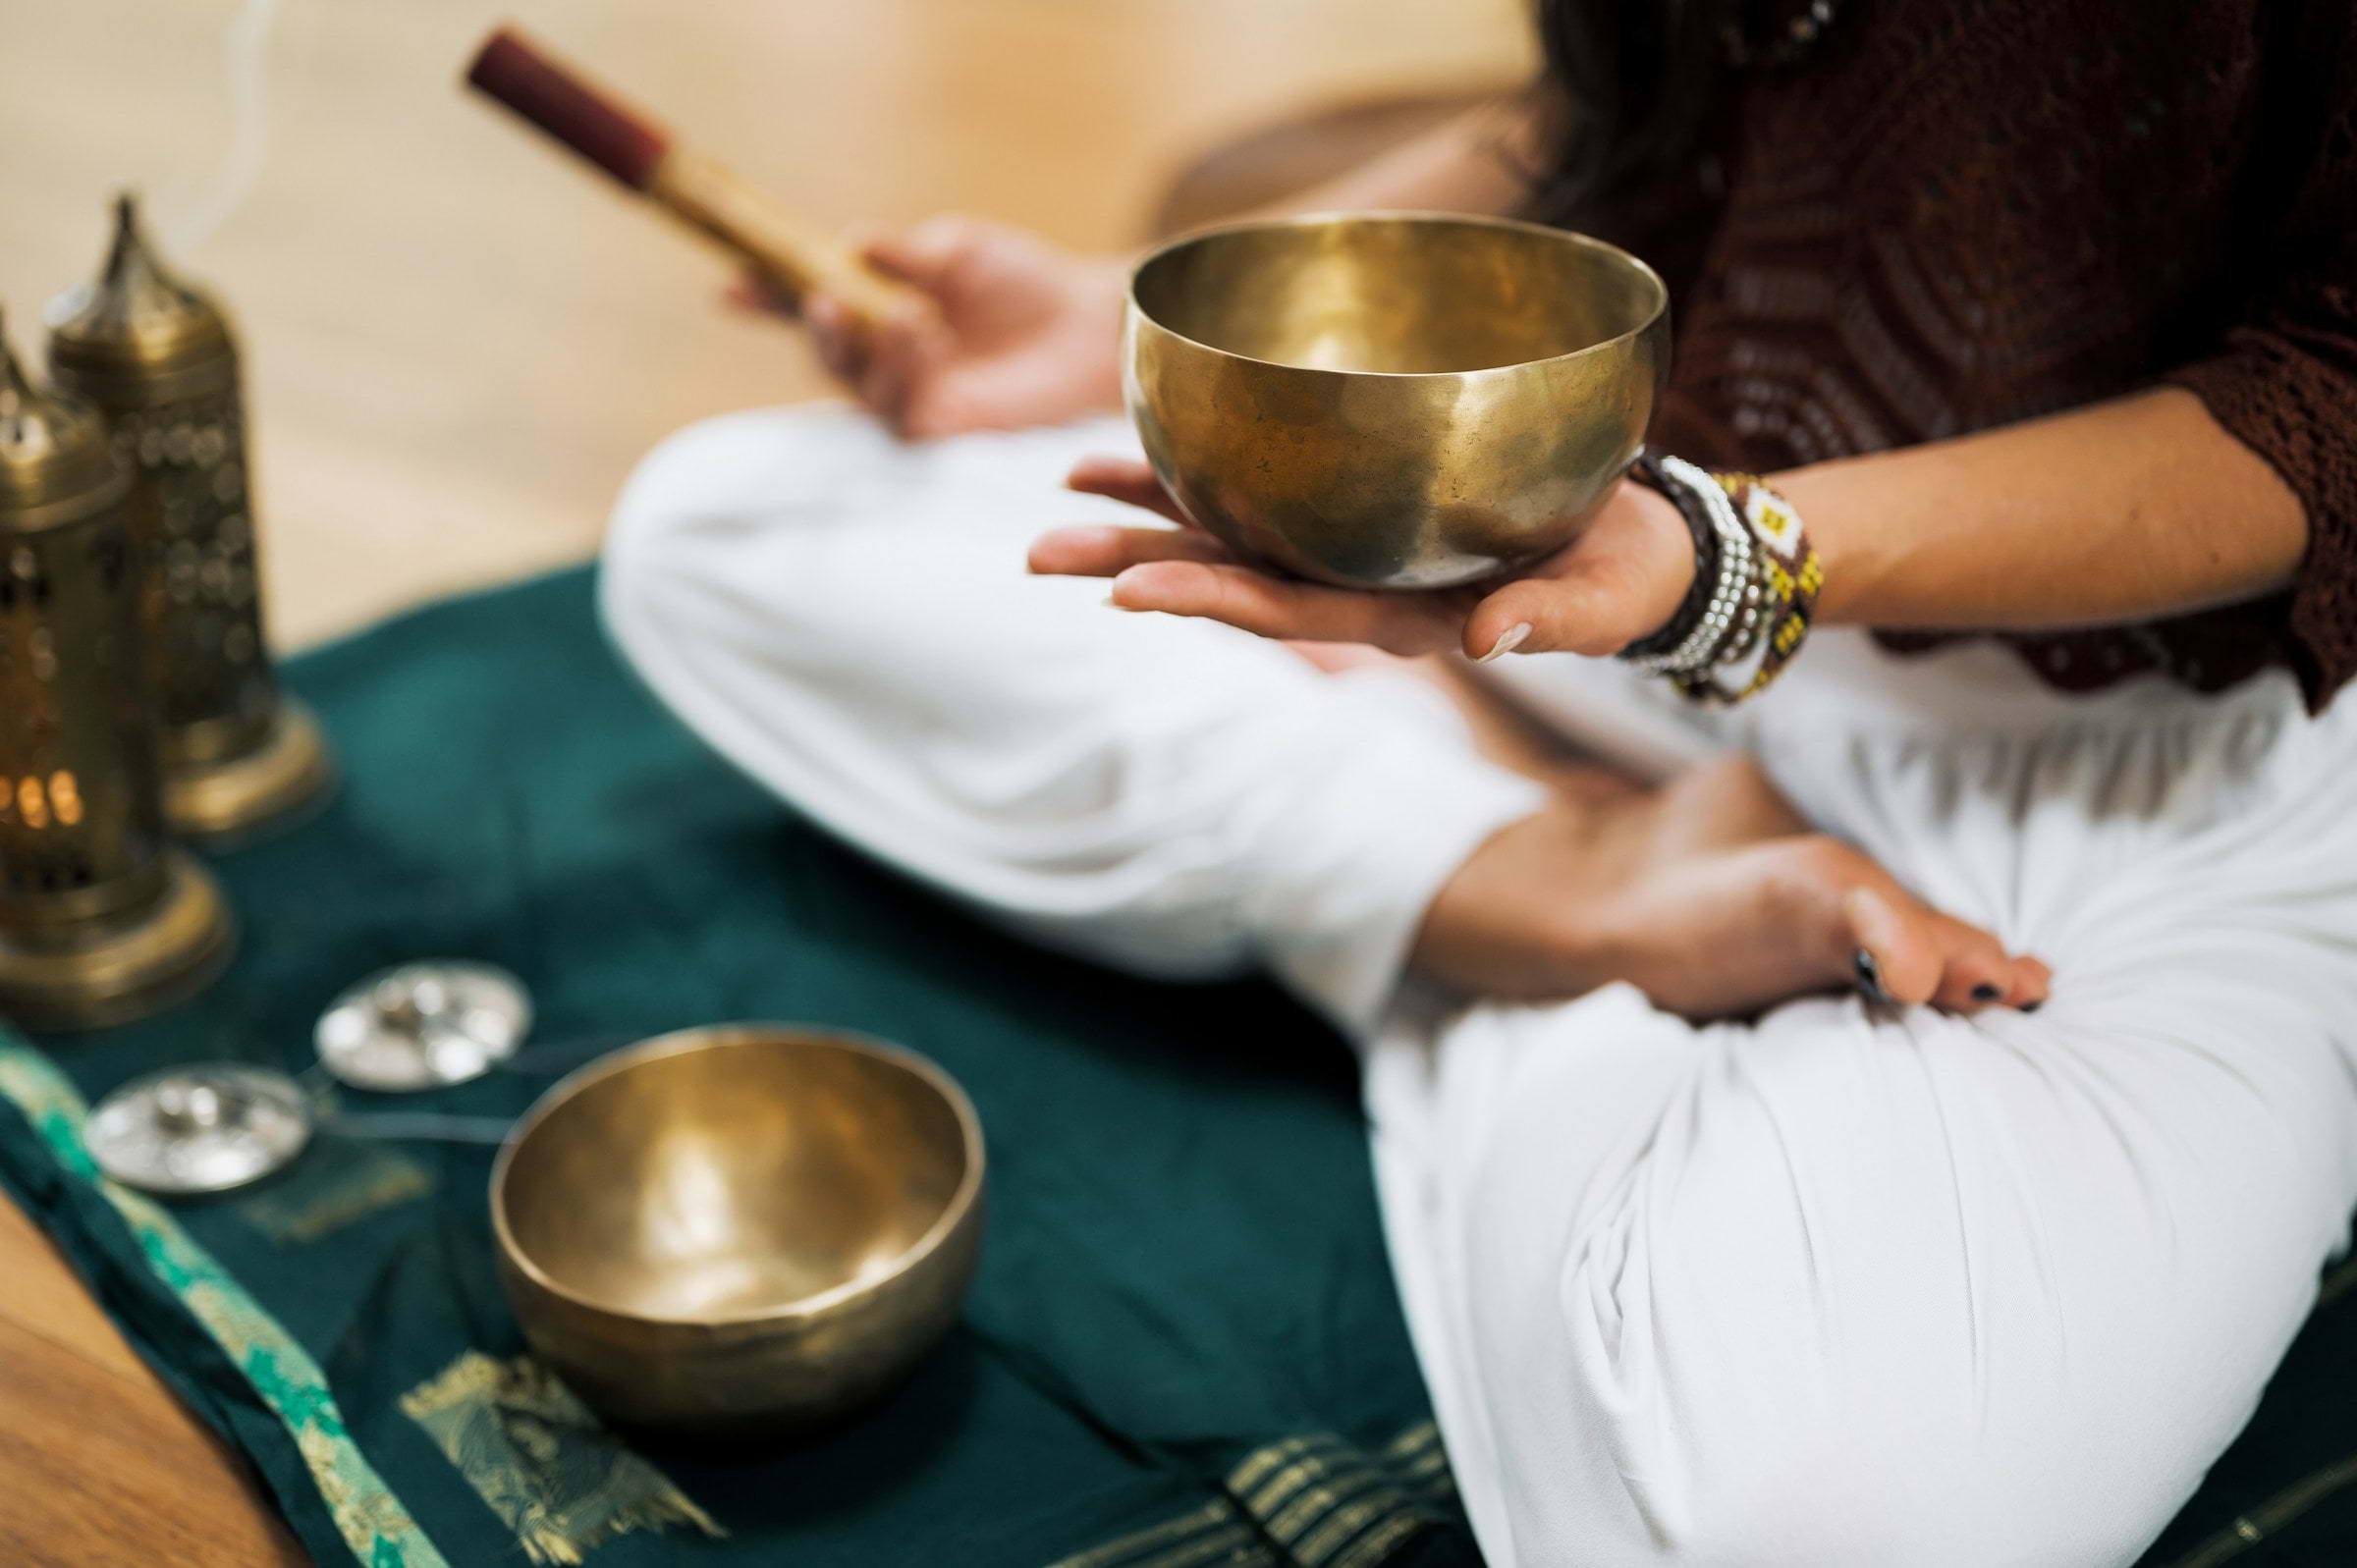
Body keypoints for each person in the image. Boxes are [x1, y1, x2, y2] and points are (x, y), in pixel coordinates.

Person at [601, 3, 2357, 1563]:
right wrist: (1160, 344)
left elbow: (2333, 395)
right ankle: (1557, 885)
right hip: (1617, 582)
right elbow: (1621, 101)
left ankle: (1459, 891)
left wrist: (1726, 557)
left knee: (1793, 1529)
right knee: (722, 533)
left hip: (2158, 752)